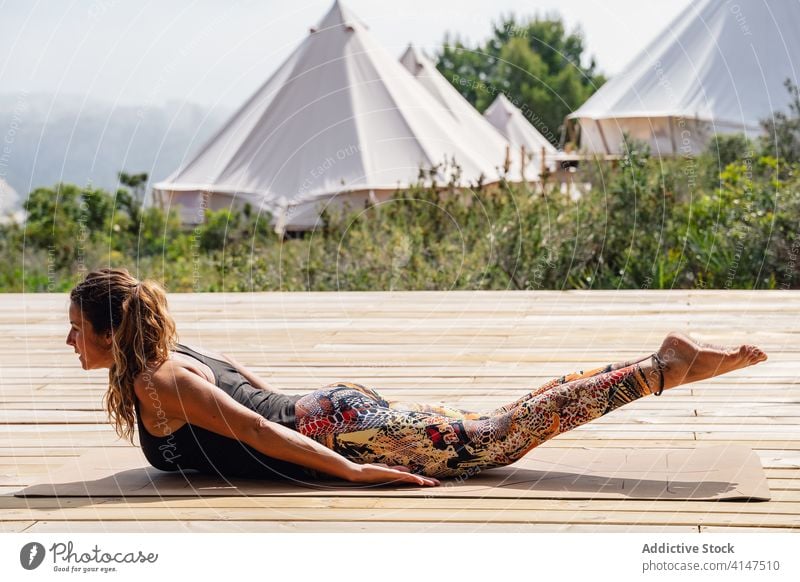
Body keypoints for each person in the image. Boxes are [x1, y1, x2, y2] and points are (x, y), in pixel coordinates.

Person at [66, 268, 768, 487]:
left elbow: (253, 425)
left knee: (496, 440)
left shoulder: (156, 382)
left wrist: (353, 472)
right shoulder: (172, 355)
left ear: (107, 331)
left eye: (75, 329)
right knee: (495, 432)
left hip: (343, 433)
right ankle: (661, 366)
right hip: (332, 411)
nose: (69, 341)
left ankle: (662, 368)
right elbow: (252, 389)